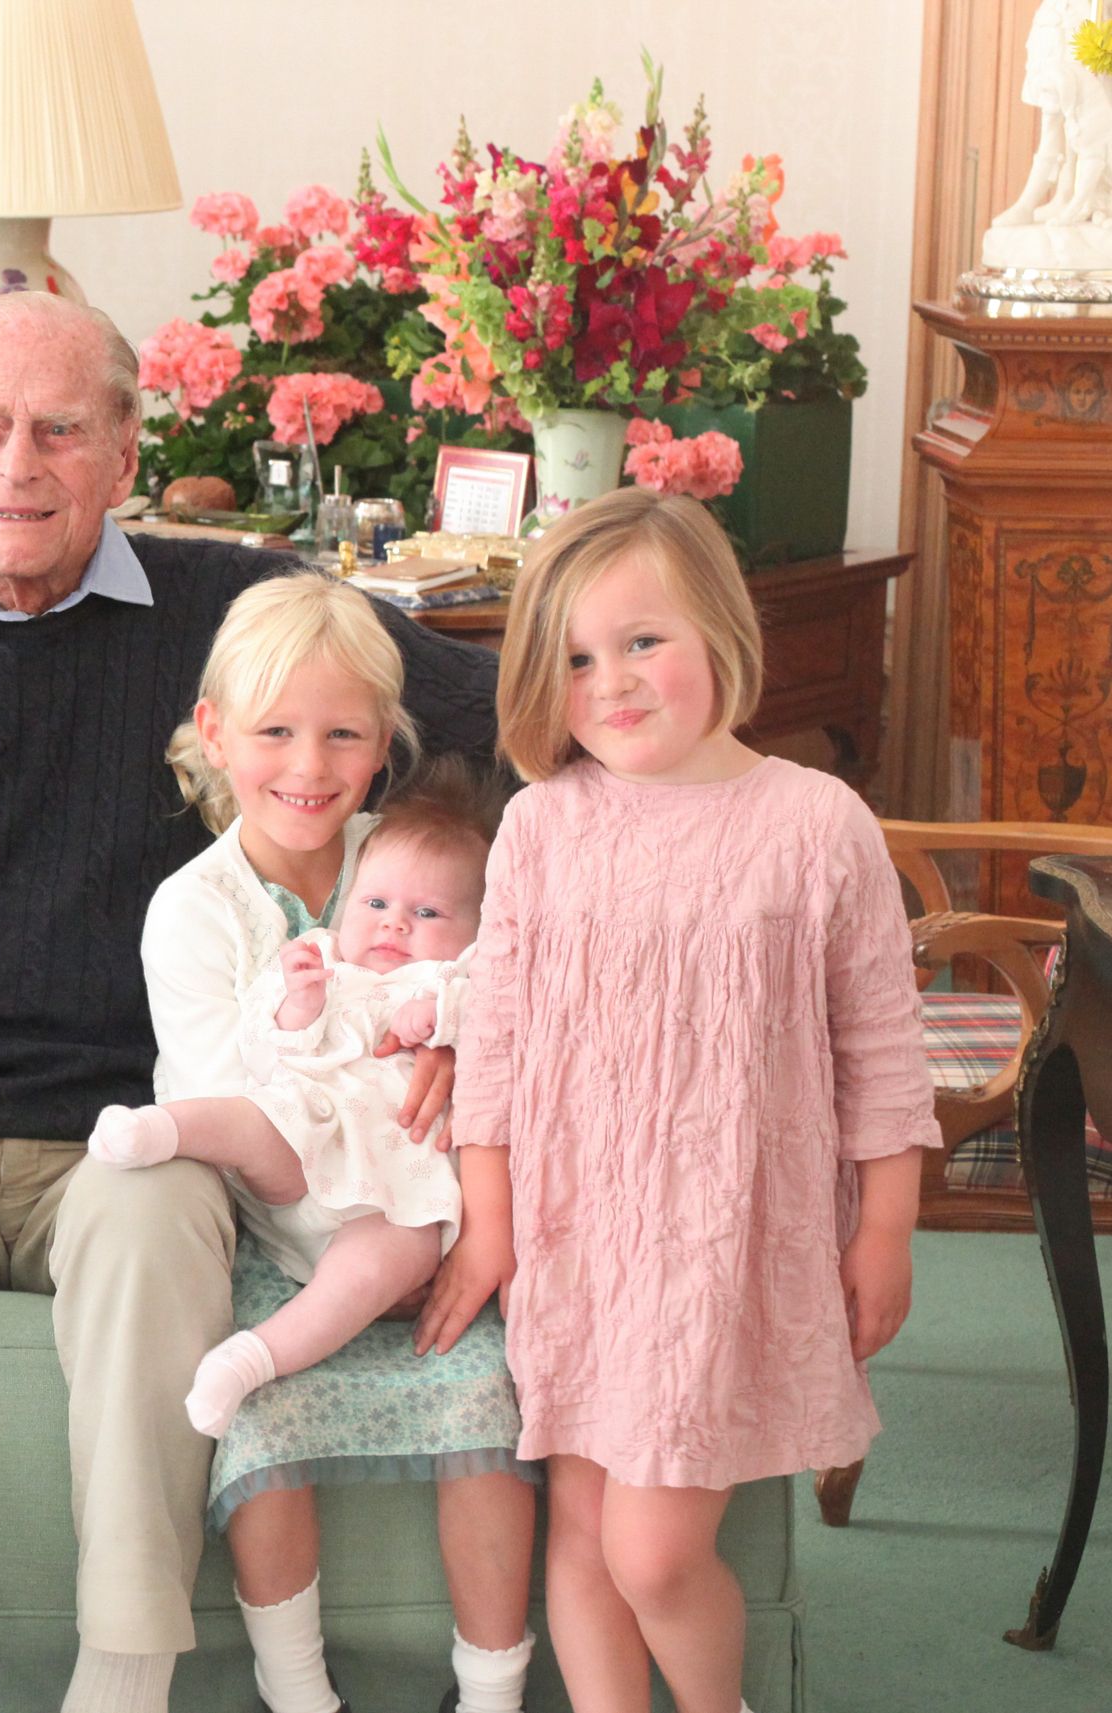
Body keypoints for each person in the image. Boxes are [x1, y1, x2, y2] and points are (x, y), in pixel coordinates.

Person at [0, 290, 500, 1713]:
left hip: (131, 1136)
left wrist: (480, 1004)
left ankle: (123, 1671)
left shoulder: (231, 613)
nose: (21, 464)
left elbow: (502, 722)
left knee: (152, 1212)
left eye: (62, 429)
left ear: (125, 449)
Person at [443, 490, 937, 1713]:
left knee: (654, 1552)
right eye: (574, 659)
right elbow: (494, 1047)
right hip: (578, 1237)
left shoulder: (816, 824)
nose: (611, 682)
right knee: (585, 1535)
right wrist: (491, 1221)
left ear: (719, 629)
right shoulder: (542, 829)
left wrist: (885, 1227)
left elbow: (880, 1044)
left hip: (724, 1243)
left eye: (642, 641)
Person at [134, 574, 535, 1713]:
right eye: (274, 733)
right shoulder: (197, 910)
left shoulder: (412, 858)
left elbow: (503, 980)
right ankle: (297, 1690)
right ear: (216, 738)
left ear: (382, 748)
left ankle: (492, 1690)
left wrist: (460, 1045)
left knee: (486, 1415)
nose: (308, 767)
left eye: (342, 736)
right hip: (288, 1237)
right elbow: (237, 1109)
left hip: (431, 1218)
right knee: (257, 1431)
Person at [98, 762, 501, 1436]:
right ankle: (155, 1131)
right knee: (256, 1120)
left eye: (427, 913)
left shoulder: (460, 977)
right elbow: (263, 1052)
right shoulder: (321, 959)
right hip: (304, 1143)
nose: (394, 926)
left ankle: (251, 1360)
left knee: (393, 1257)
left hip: (394, 1196)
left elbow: (506, 1022)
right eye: (375, 905)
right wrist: (300, 1005)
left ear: (475, 929)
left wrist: (442, 1026)